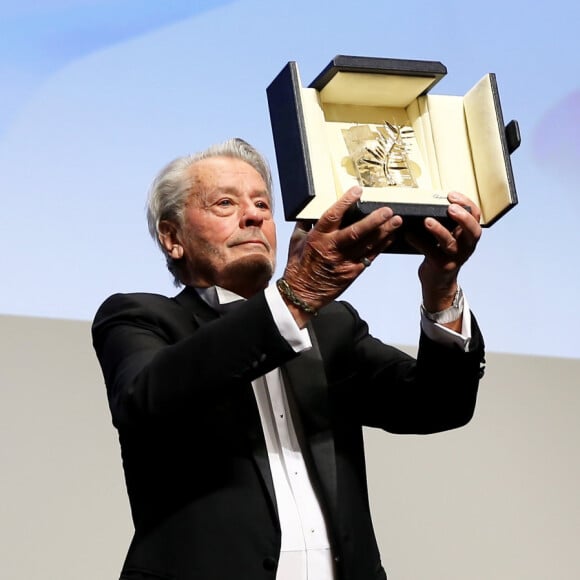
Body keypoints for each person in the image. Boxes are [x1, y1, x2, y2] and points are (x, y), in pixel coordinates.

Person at [92, 137, 485, 580]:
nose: (256, 214)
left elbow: (437, 404)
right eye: (225, 203)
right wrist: (293, 300)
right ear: (172, 237)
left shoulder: (332, 325)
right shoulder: (139, 317)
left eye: (262, 203)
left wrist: (441, 288)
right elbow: (146, 399)